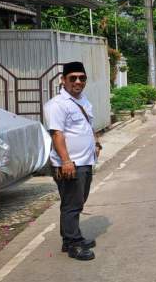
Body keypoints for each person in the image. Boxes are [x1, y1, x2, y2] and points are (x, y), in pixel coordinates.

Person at [46, 61, 101, 261]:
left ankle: (69, 239)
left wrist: (96, 144)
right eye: (73, 78)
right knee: (72, 204)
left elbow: (87, 126)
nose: (78, 81)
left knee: (76, 201)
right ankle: (73, 243)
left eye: (82, 78)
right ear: (63, 80)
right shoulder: (57, 104)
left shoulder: (83, 100)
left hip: (85, 161)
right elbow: (57, 134)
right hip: (70, 164)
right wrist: (66, 161)